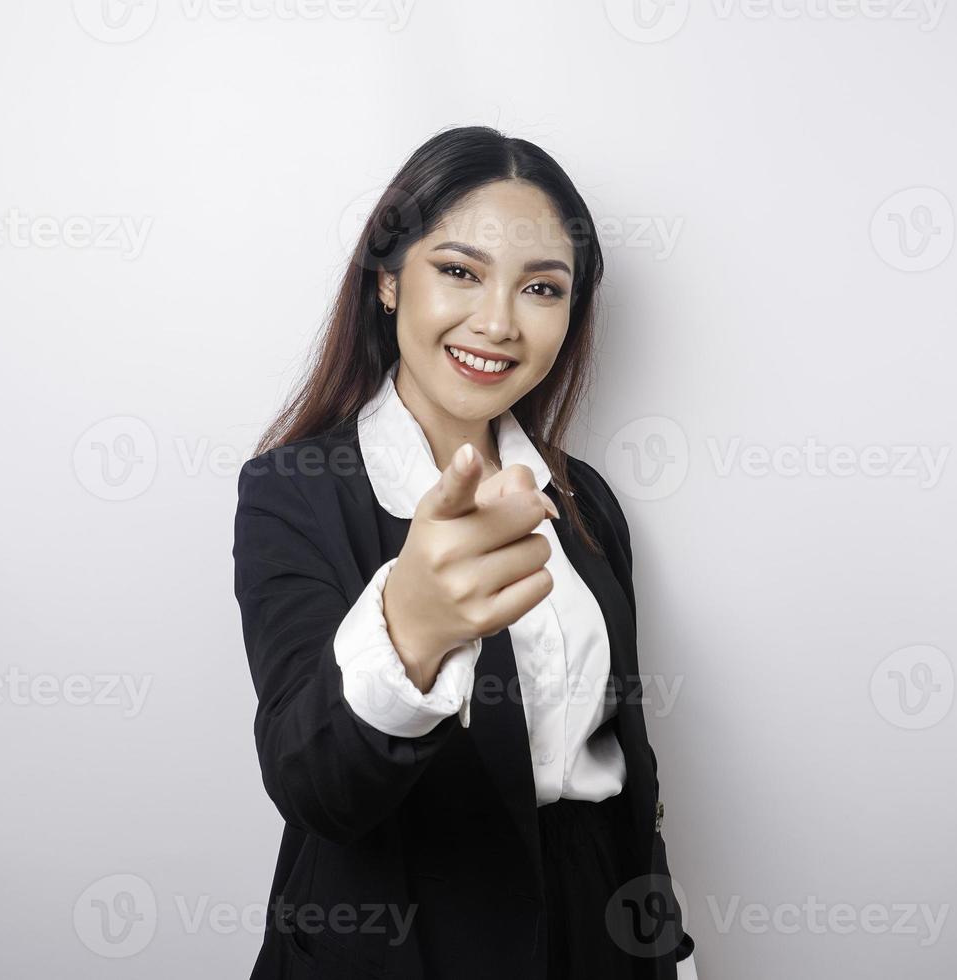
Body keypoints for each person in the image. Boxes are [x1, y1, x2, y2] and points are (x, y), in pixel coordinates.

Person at [233, 125, 694, 980]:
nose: (497, 321)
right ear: (386, 278)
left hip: (595, 926)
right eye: (458, 271)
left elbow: (627, 766)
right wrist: (408, 631)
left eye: (543, 289)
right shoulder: (294, 489)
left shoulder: (584, 500)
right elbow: (313, 786)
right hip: (404, 936)